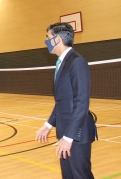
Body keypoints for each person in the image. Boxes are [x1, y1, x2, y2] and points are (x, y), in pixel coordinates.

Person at [35, 22, 97, 179]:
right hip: (65, 133)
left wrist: (69, 137)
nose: (46, 41)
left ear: (57, 39)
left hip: (76, 134)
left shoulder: (77, 62)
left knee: (80, 175)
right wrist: (48, 125)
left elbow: (81, 102)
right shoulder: (62, 63)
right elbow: (62, 101)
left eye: (48, 37)